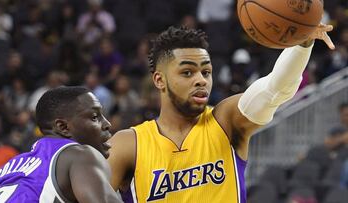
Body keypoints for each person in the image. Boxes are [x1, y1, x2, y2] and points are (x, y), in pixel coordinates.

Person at [107, 24, 335, 203]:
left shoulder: (226, 121)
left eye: (206, 72)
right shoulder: (129, 144)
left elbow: (274, 89)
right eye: (187, 72)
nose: (201, 80)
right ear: (159, 79)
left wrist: (302, 44)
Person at [0, 86, 121, 203]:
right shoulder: (79, 154)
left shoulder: (8, 168)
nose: (107, 124)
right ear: (63, 127)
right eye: (94, 117)